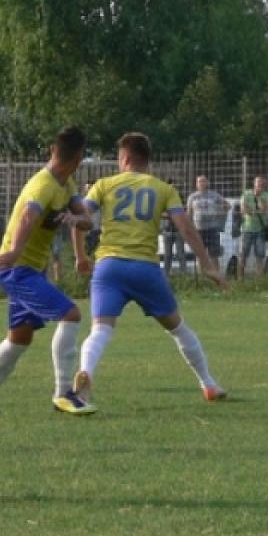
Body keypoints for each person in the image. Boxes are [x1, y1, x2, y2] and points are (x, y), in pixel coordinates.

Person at [73, 133, 228, 408]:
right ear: (147, 159)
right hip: (144, 268)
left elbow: (80, 218)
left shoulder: (104, 184)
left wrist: (81, 256)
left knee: (100, 329)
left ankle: (86, 372)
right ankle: (208, 384)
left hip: (109, 266)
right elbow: (185, 227)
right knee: (178, 328)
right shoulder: (162, 189)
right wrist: (207, 264)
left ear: (125, 159)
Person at [0, 126, 95, 418]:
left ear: (53, 150)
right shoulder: (43, 184)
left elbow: (87, 220)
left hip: (29, 269)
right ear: (79, 158)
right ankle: (63, 394)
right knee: (71, 314)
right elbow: (27, 216)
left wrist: (74, 218)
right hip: (17, 269)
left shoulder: (66, 184)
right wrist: (13, 251)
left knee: (20, 337)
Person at [185, 175, 227, 266]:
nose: (201, 183)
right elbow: (189, 214)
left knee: (214, 254)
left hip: (212, 229)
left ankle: (215, 274)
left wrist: (220, 214)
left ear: (207, 183)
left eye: (203, 181)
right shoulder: (192, 197)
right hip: (198, 229)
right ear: (196, 184)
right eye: (199, 181)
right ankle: (202, 274)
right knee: (200, 255)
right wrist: (189, 228)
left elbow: (227, 206)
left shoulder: (214, 195)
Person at [238, 176, 268, 279]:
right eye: (258, 183)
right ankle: (240, 279)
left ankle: (259, 279)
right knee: (243, 254)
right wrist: (252, 210)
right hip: (246, 229)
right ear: (254, 183)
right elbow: (243, 210)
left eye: (262, 184)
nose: (260, 185)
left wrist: (259, 200)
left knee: (260, 255)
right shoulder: (246, 194)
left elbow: (265, 209)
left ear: (265, 185)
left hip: (261, 230)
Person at [160, 179, 187, 275]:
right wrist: (172, 215)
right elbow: (160, 212)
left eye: (174, 186)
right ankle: (166, 274)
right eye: (171, 185)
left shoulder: (180, 197)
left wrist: (173, 214)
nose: (173, 187)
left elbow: (184, 211)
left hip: (178, 230)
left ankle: (184, 275)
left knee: (181, 254)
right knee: (167, 255)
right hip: (167, 230)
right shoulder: (162, 198)